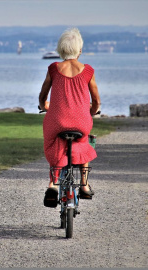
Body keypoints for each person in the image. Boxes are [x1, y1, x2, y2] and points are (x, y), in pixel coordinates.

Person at [39, 28, 101, 206]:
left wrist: (45, 106)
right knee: (83, 143)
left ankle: (52, 184)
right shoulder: (88, 70)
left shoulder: (53, 68)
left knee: (55, 142)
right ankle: (84, 184)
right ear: (79, 50)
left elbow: (43, 96)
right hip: (81, 122)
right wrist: (92, 110)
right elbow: (96, 100)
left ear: (61, 49)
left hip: (57, 120)